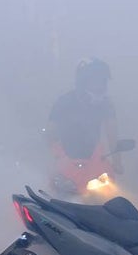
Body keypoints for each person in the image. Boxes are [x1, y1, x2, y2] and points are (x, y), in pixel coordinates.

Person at [46, 58, 121, 192]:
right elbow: (51, 132)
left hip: (94, 162)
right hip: (66, 162)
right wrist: (59, 155)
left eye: (104, 81)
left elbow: (112, 133)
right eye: (96, 81)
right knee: (57, 194)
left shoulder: (106, 105)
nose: (101, 86)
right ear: (83, 82)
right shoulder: (65, 102)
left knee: (109, 194)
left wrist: (117, 162)